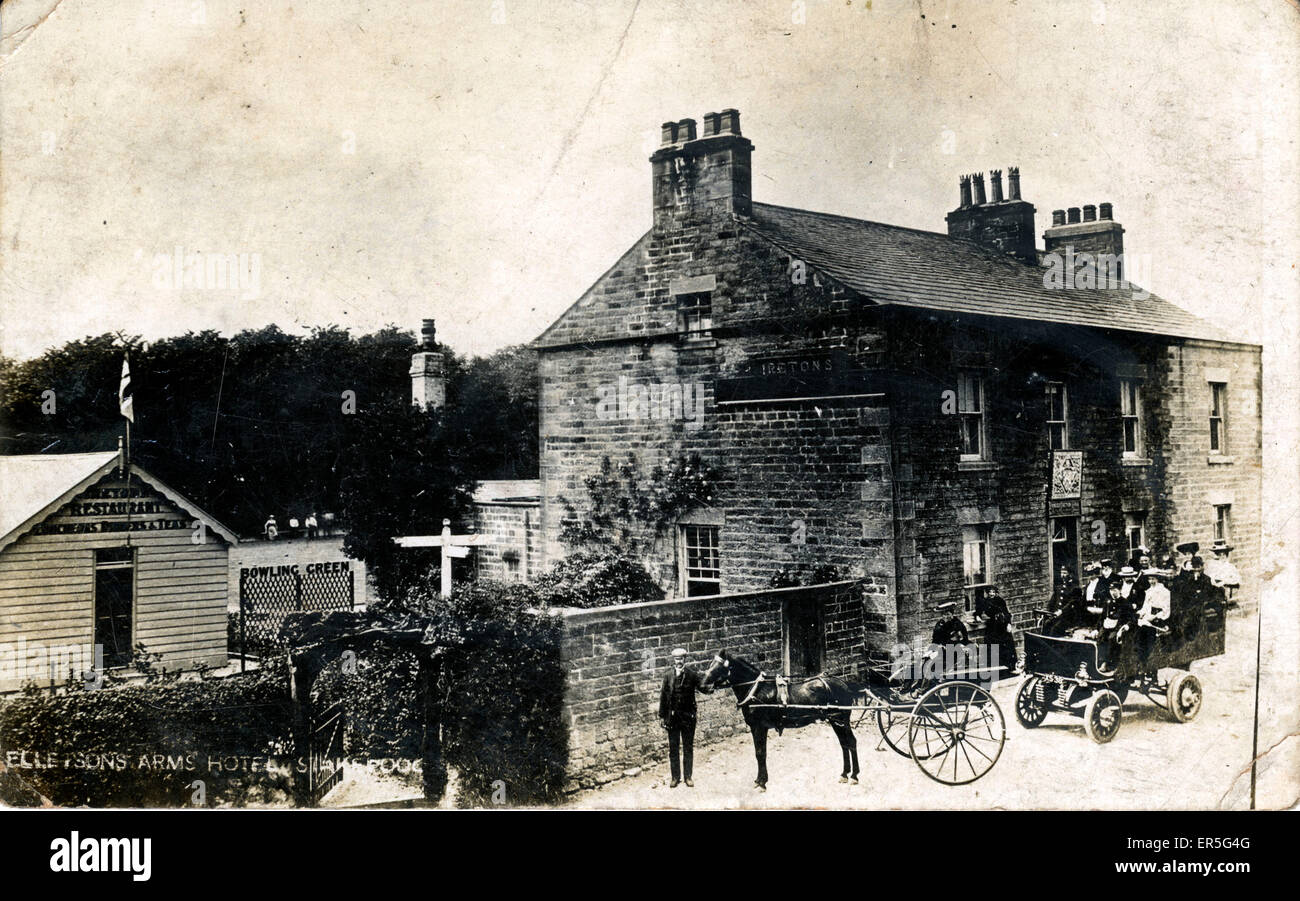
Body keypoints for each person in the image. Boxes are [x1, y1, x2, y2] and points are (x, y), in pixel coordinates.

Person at [659, 648, 708, 787]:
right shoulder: (668, 675)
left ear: (684, 659)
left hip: (688, 717)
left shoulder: (692, 675)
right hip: (672, 718)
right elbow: (663, 696)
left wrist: (712, 686)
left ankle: (688, 777)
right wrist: (662, 716)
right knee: (673, 748)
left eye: (681, 659)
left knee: (688, 747)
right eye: (676, 659)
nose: (678, 661)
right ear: (673, 660)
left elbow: (703, 687)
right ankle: (675, 777)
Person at [1135, 568, 1172, 668]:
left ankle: (1149, 662)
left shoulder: (1165, 592)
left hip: (1159, 620)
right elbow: (1146, 606)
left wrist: (1155, 616)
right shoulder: (1149, 591)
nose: (1151, 581)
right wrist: (1141, 613)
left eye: (1153, 579)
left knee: (1148, 635)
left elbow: (1166, 609)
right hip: (1148, 618)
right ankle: (1141, 660)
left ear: (1157, 579)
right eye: (1149, 579)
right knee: (1137, 632)